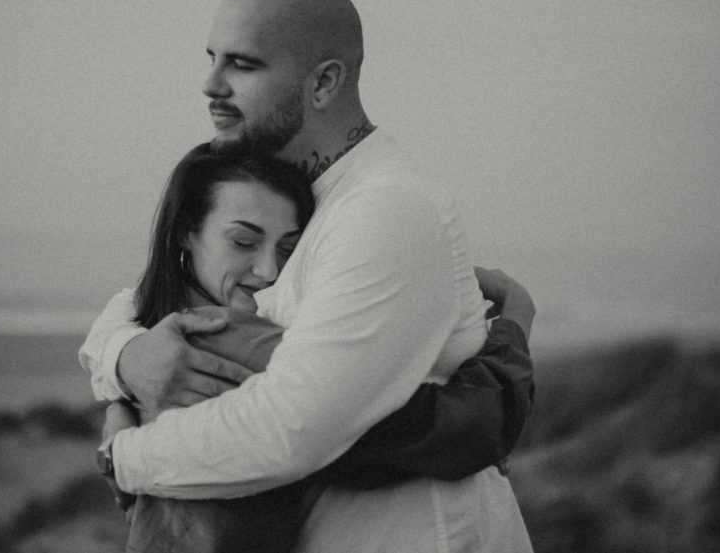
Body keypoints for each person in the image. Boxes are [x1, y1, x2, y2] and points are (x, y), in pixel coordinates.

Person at [82, 0, 534, 552]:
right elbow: (152, 295)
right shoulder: (289, 199)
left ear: (323, 84)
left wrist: (121, 455)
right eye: (212, 57)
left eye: (242, 65)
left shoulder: (387, 208)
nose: (209, 83)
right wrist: (123, 358)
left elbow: (291, 428)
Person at [92, 143, 533, 552]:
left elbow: (117, 317)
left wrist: (117, 359)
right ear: (186, 233)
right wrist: (515, 320)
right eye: (243, 242)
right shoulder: (228, 338)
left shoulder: (152, 322)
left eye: (288, 249)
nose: (268, 270)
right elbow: (466, 428)